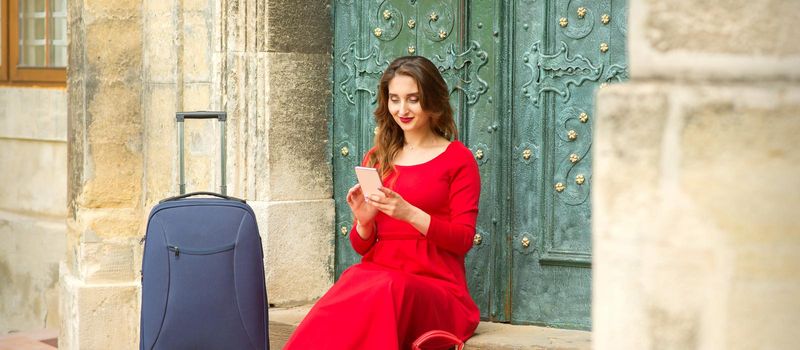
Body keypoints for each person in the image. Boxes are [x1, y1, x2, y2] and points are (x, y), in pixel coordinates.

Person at [283, 56, 481, 349]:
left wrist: (409, 213)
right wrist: (364, 222)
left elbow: (463, 239)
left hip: (437, 290)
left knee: (384, 289)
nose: (402, 110)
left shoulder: (458, 159)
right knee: (354, 279)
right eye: (395, 99)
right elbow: (363, 246)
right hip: (379, 279)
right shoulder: (378, 157)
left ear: (433, 102)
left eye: (413, 99)